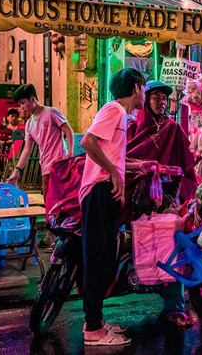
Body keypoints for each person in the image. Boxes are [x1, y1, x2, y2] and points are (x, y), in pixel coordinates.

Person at [80, 68, 145, 346]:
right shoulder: (114, 110)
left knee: (104, 257)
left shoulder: (121, 116)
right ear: (137, 88)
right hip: (99, 191)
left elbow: (108, 153)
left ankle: (96, 320)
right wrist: (115, 174)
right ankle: (93, 330)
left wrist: (134, 166)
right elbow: (88, 142)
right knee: (97, 259)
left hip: (105, 191)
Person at [125, 80, 198, 326]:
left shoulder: (173, 129)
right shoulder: (133, 128)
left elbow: (186, 164)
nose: (162, 102)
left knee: (172, 248)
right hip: (135, 194)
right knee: (133, 243)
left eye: (165, 98)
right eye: (156, 97)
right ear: (146, 100)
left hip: (165, 196)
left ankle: (175, 307)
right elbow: (124, 157)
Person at [6, 84, 74, 197]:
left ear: (32, 99)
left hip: (60, 165)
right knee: (48, 202)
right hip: (45, 167)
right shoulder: (29, 125)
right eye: (20, 104)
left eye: (23, 103)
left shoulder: (52, 112)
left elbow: (68, 130)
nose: (21, 107)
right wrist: (16, 171)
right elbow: (27, 150)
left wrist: (70, 153)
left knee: (62, 201)